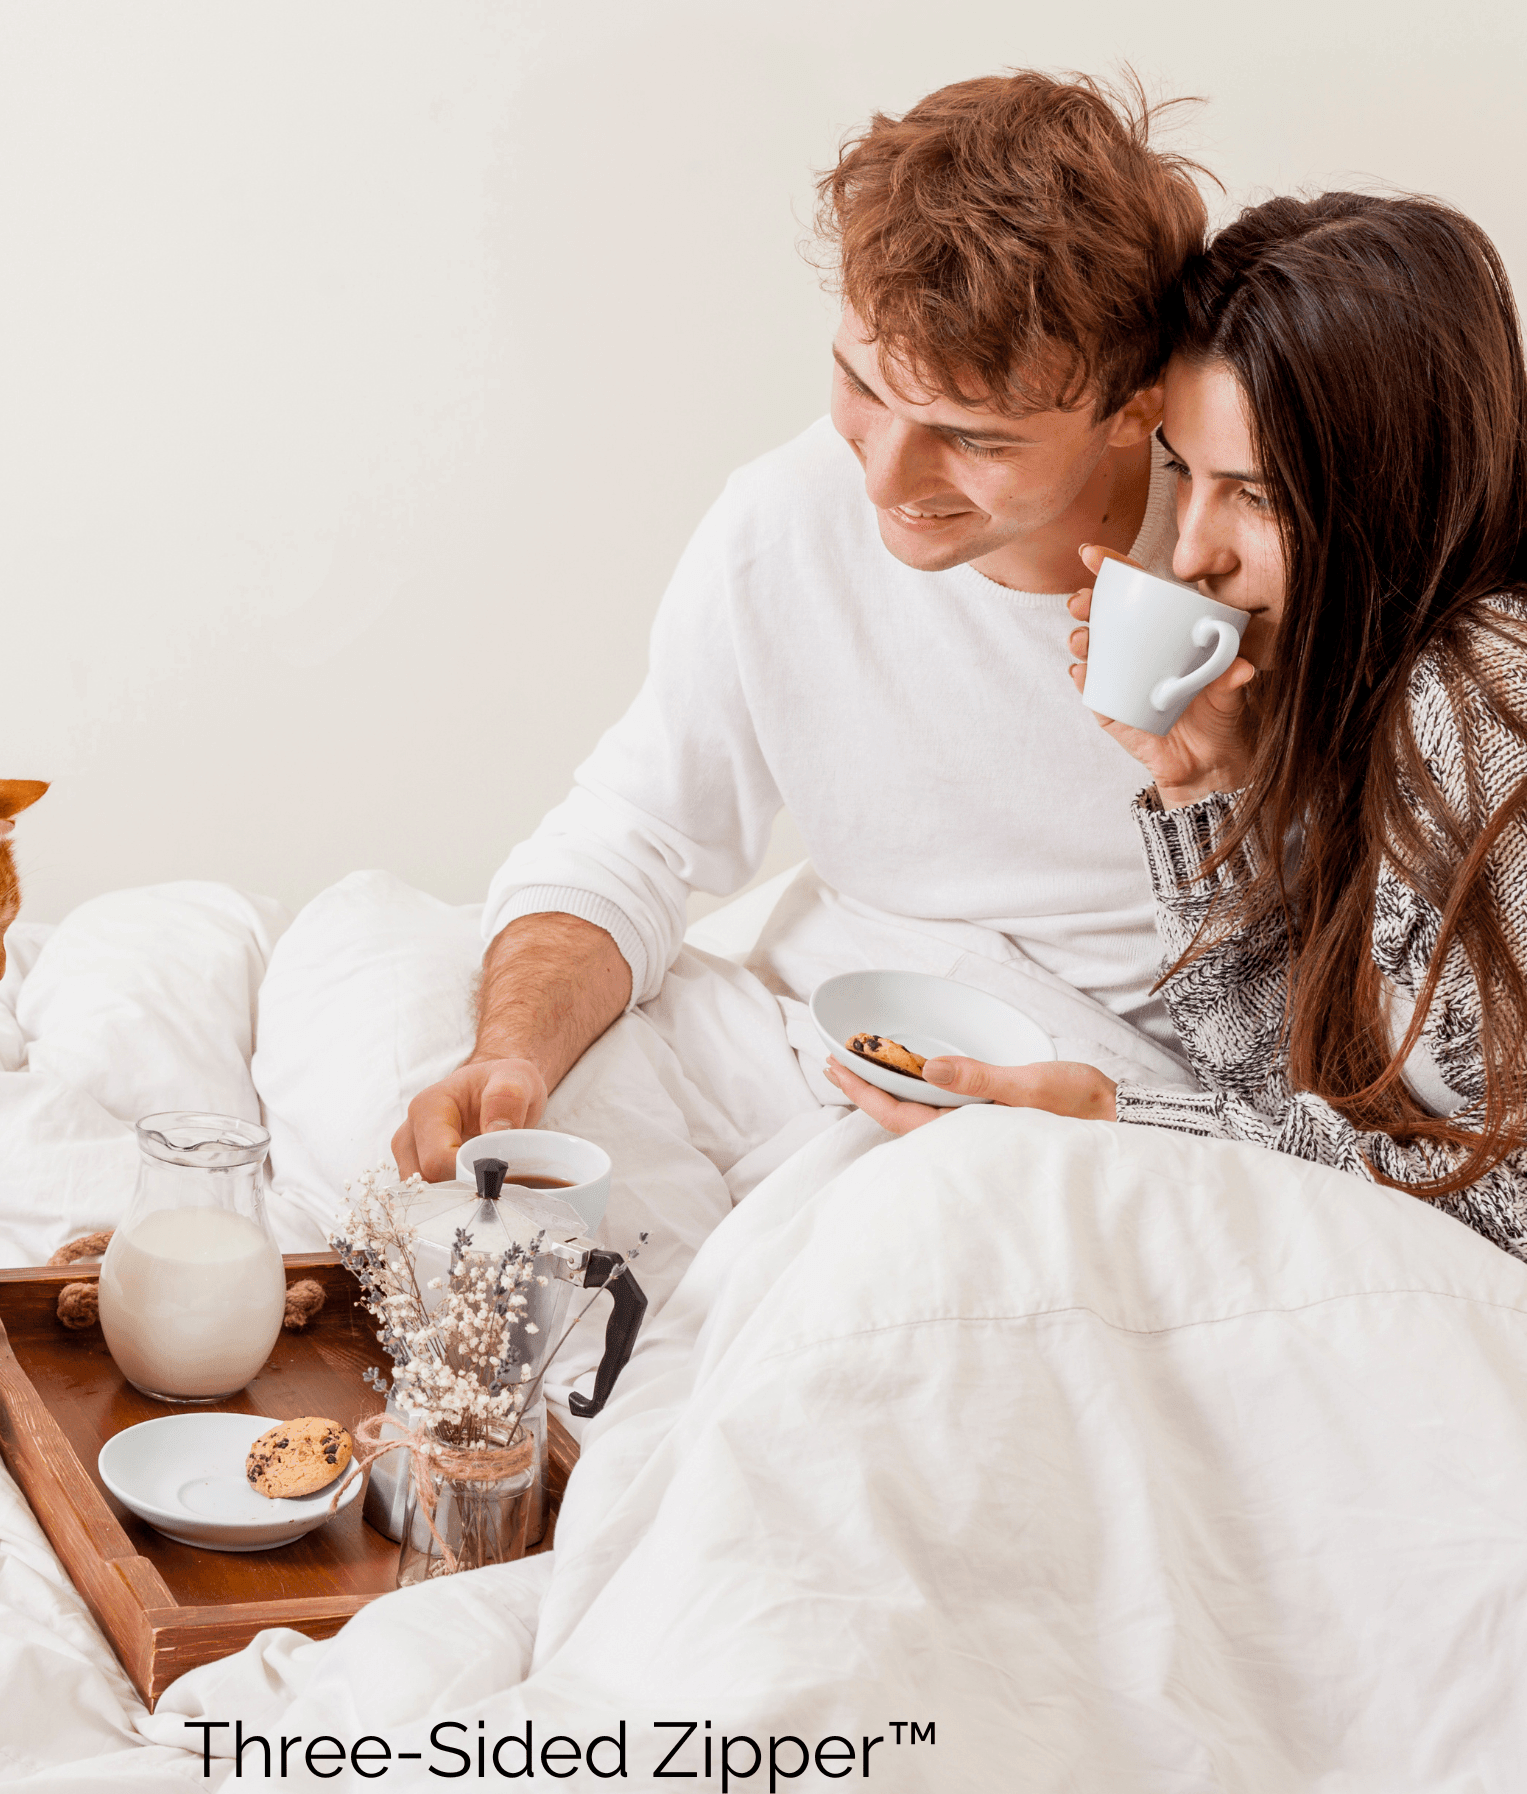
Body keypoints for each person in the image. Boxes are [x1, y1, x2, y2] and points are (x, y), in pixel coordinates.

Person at [389, 69, 1210, 1188]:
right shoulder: (782, 518)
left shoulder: (1239, 554)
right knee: (372, 999)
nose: (884, 474)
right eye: (860, 383)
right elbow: (635, 830)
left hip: (1092, 1101)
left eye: (975, 439)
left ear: (1132, 409)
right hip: (825, 1025)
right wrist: (510, 1055)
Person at [832, 192, 1527, 1257]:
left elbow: (1510, 1201)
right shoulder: (1375, 703)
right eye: (1183, 474)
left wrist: (1122, 1123)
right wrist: (1207, 790)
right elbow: (1288, 1100)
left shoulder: (1483, 701)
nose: (1192, 548)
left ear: (1388, 492)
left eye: (1254, 495)